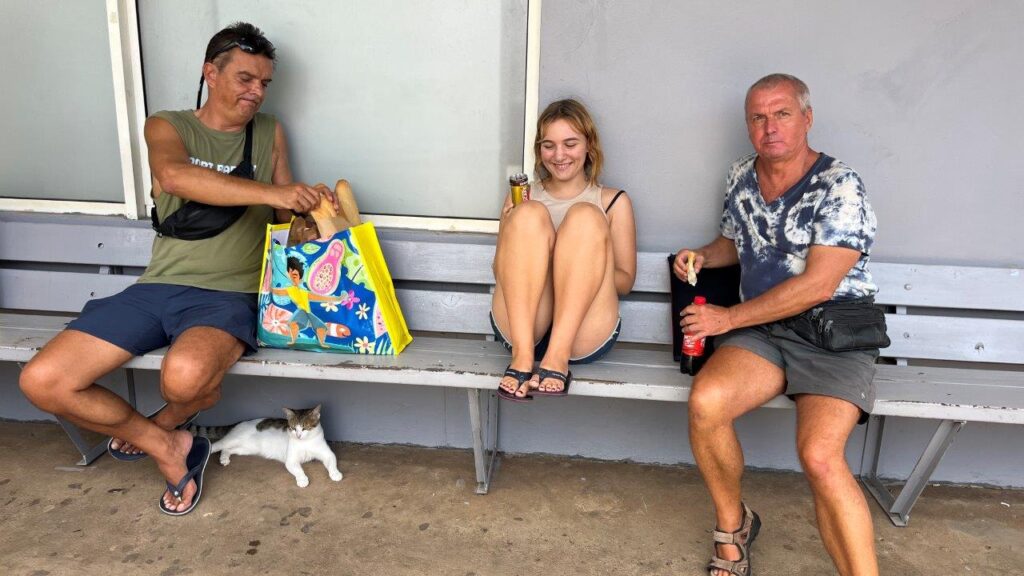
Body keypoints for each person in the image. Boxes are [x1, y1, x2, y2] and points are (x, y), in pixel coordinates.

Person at [19, 22, 335, 516]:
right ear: (211, 73)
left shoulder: (268, 132)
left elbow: (280, 219)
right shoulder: (167, 126)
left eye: (264, 83)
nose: (256, 92)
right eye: (246, 78)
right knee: (42, 380)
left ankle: (167, 423)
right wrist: (274, 191)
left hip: (229, 295)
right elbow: (174, 177)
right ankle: (166, 444)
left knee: (184, 379)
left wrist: (308, 208)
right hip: (157, 287)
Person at [674, 74, 881, 575]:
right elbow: (736, 242)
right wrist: (701, 256)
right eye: (758, 117)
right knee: (706, 403)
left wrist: (727, 317)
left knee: (820, 457)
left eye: (782, 114)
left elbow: (819, 286)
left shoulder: (839, 184)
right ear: (748, 125)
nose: (770, 127)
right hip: (766, 331)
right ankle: (734, 527)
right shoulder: (740, 175)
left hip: (831, 333)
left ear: (807, 118)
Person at [491, 99, 636, 401]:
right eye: (549, 146)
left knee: (585, 217)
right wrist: (513, 229)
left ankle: (557, 356)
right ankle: (522, 357)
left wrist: (583, 260)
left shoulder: (613, 202)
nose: (559, 155)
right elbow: (499, 271)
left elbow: (624, 282)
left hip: (584, 329)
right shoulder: (522, 197)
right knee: (529, 215)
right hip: (524, 325)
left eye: (570, 144)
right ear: (539, 149)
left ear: (588, 145)